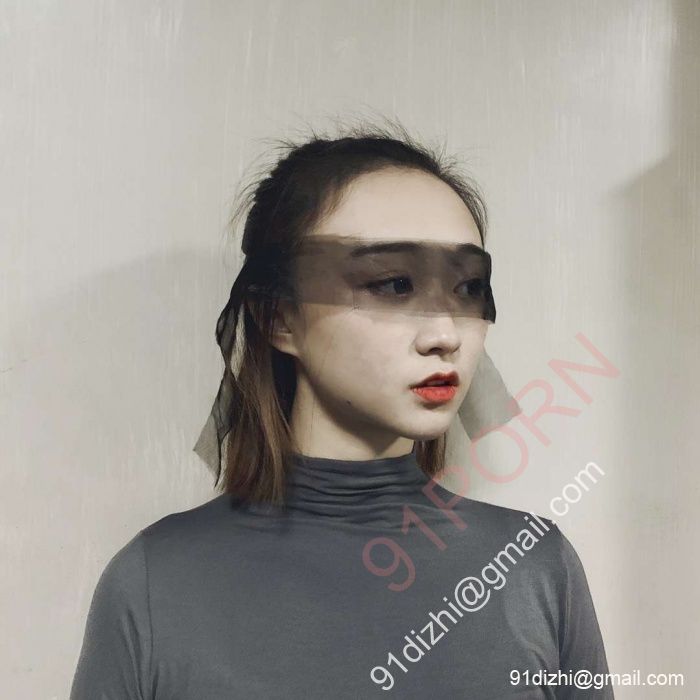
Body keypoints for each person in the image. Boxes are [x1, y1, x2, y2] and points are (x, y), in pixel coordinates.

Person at [70, 122, 613, 699]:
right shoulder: (155, 585)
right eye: (393, 284)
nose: (445, 333)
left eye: (466, 288)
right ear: (279, 317)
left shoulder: (533, 567)